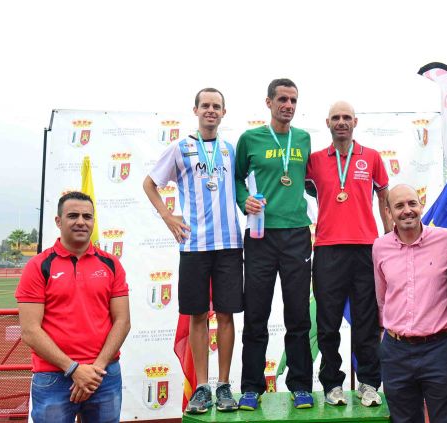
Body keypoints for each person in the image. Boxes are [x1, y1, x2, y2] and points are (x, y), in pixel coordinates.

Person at [143, 88, 243, 413]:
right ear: (196, 110)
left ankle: (224, 384)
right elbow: (149, 183)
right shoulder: (180, 148)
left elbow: (248, 188)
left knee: (226, 315)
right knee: (198, 315)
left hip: (229, 244)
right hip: (195, 245)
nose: (211, 111)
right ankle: (202, 387)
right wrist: (168, 217)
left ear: (224, 113)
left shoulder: (231, 150)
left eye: (217, 106)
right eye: (206, 106)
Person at [15, 192, 131, 422]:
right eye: (73, 215)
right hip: (54, 377)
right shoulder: (38, 266)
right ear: (58, 221)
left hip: (103, 375)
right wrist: (74, 369)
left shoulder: (110, 263)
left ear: (93, 221)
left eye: (87, 216)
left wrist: (94, 371)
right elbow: (30, 330)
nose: (81, 221)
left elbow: (123, 321)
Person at [305, 101, 391, 407]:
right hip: (327, 249)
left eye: (346, 118)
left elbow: (384, 197)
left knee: (366, 322)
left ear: (355, 121)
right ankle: (332, 385)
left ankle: (369, 382)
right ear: (327, 122)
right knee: (327, 323)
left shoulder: (372, 157)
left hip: (366, 247)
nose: (341, 122)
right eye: (336, 118)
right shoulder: (314, 160)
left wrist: (390, 237)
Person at [234, 78, 314, 410]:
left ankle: (300, 385)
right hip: (260, 235)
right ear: (268, 103)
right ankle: (252, 387)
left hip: (297, 234)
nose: (288, 105)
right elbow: (237, 179)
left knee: (298, 315)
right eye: (282, 99)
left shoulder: (304, 139)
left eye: (293, 100)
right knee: (256, 314)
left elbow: (313, 181)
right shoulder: (249, 139)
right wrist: (245, 201)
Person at [373, 184, 447, 423]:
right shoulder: (380, 247)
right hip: (396, 352)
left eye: (412, 203)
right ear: (388, 212)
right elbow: (382, 296)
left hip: (440, 348)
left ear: (421, 205)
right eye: (399, 206)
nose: (407, 211)